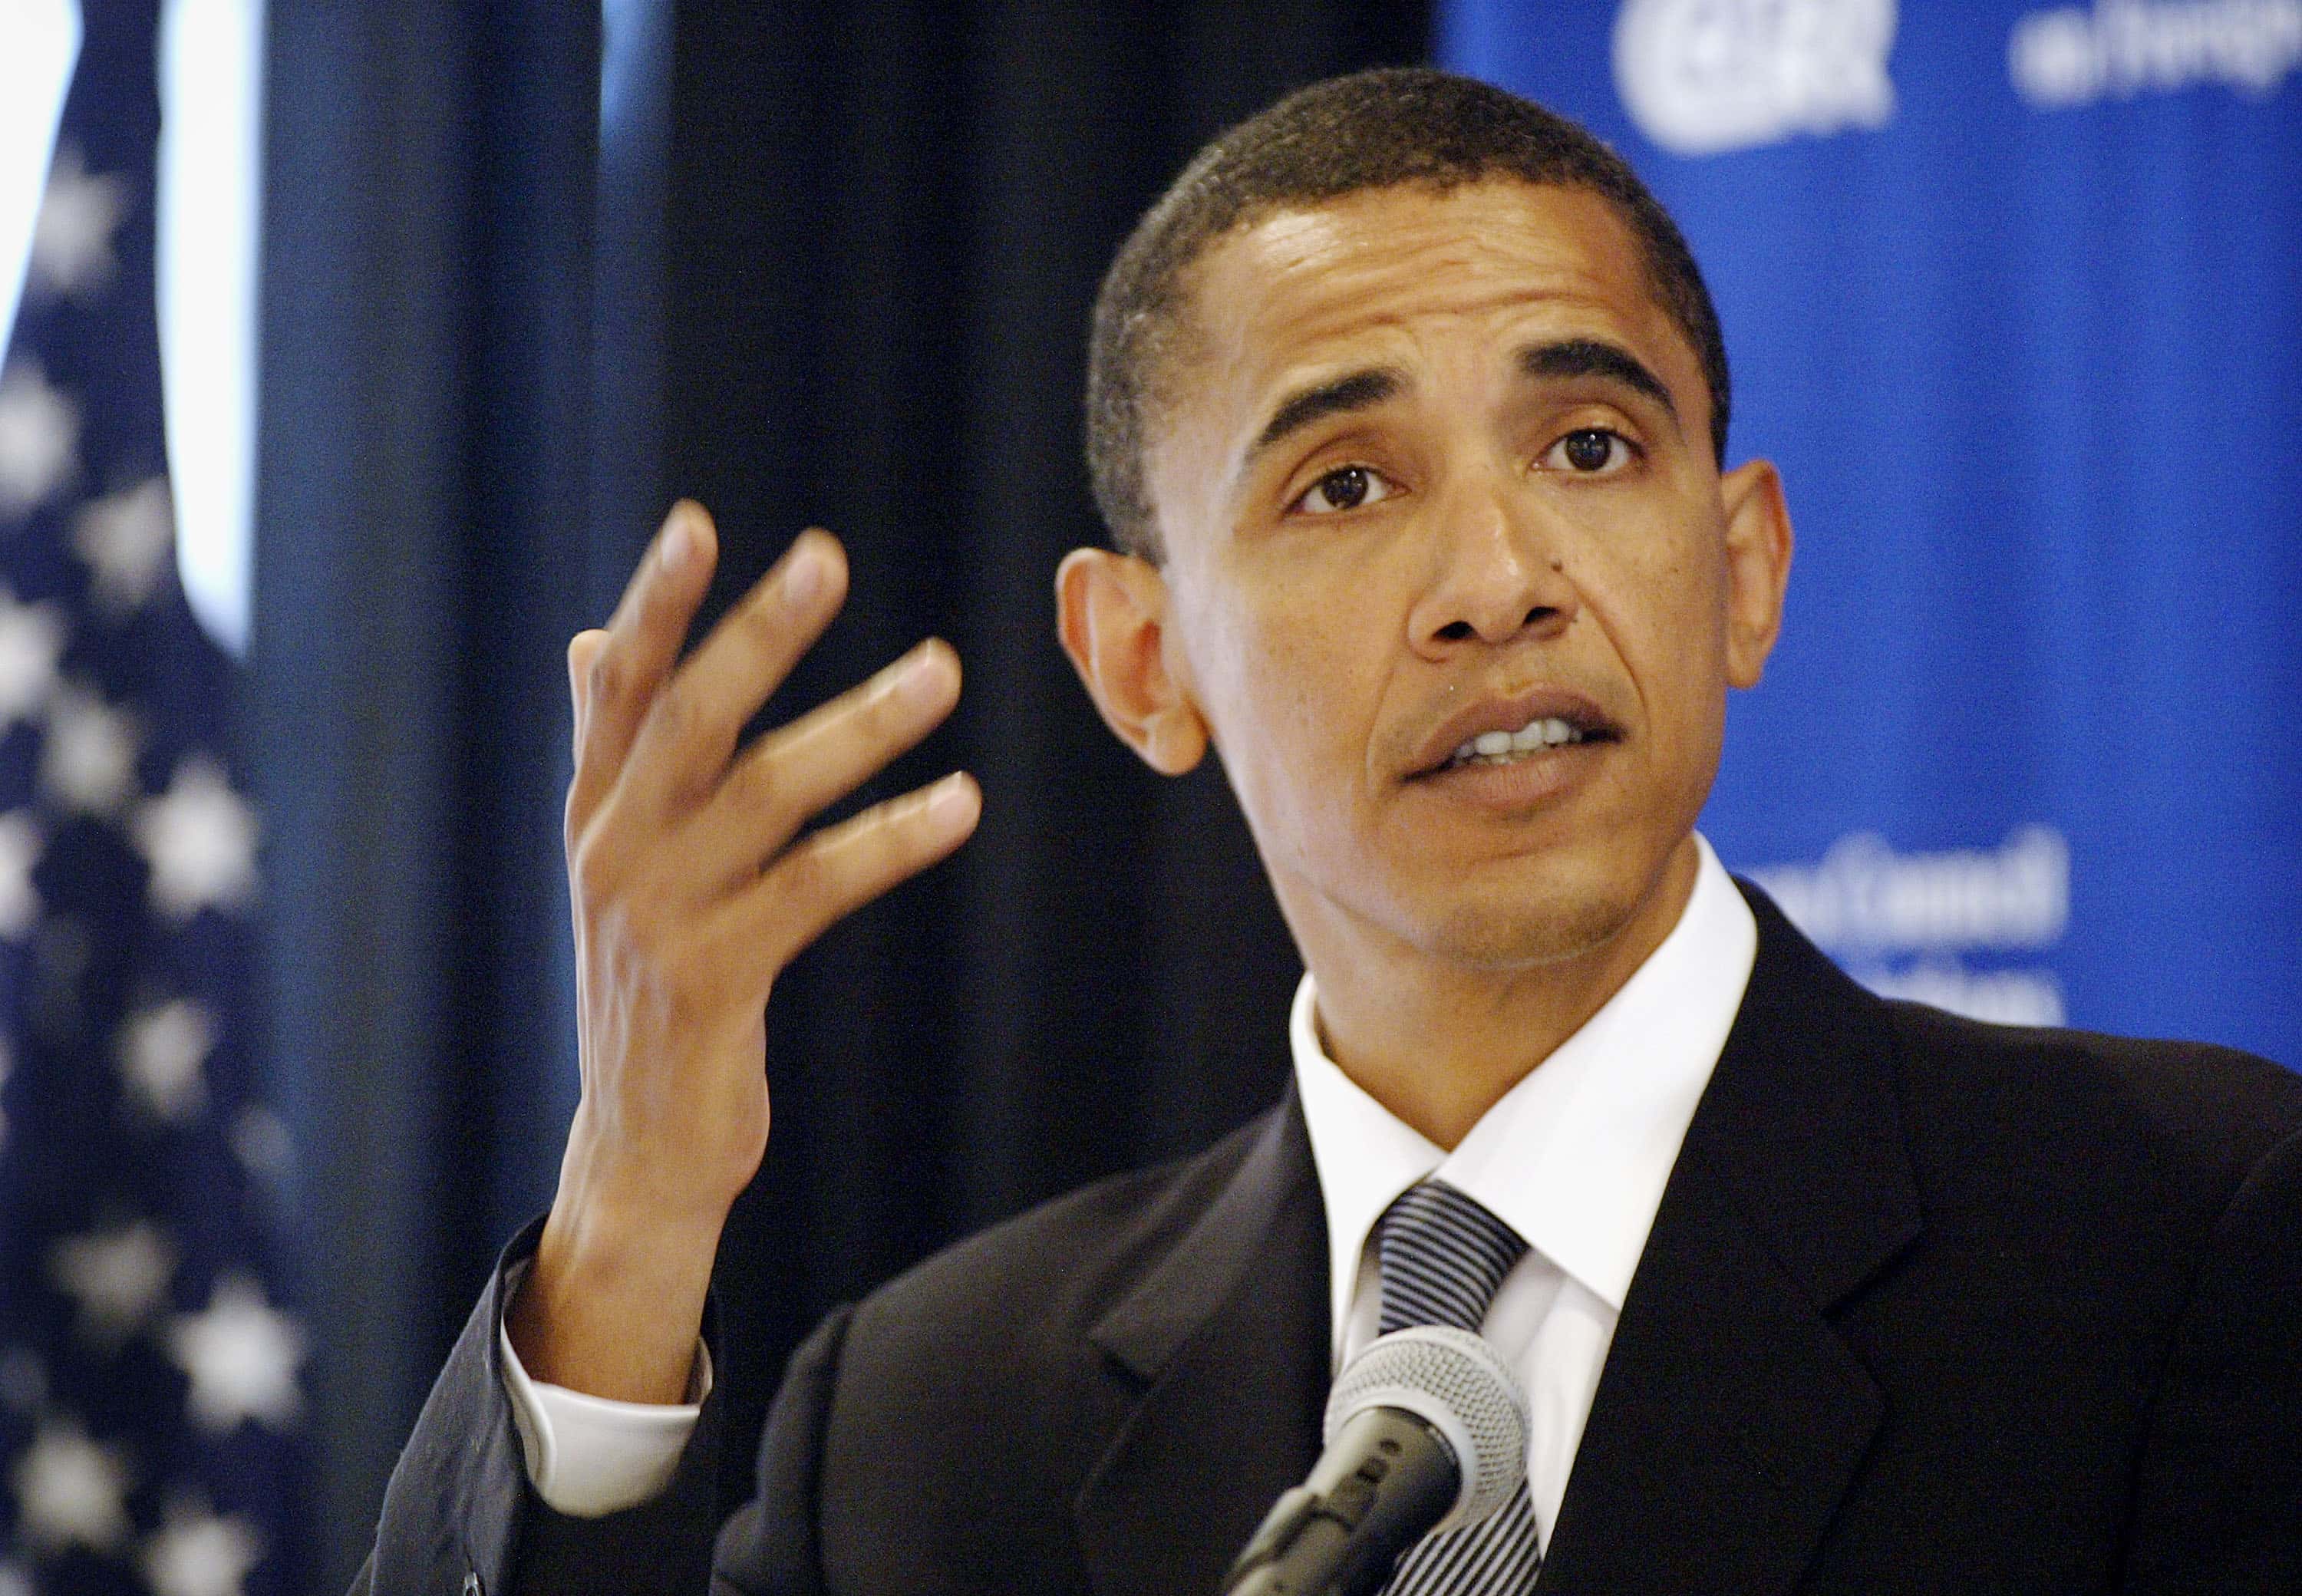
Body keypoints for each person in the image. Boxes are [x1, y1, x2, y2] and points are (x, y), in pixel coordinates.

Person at [356, 69, 2302, 1595]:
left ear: (1744, 567)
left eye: (1590, 447)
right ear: (1142, 663)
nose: (1499, 578)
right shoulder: (934, 1421)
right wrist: (634, 1212)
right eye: (1347, 483)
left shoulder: (2177, 1241)